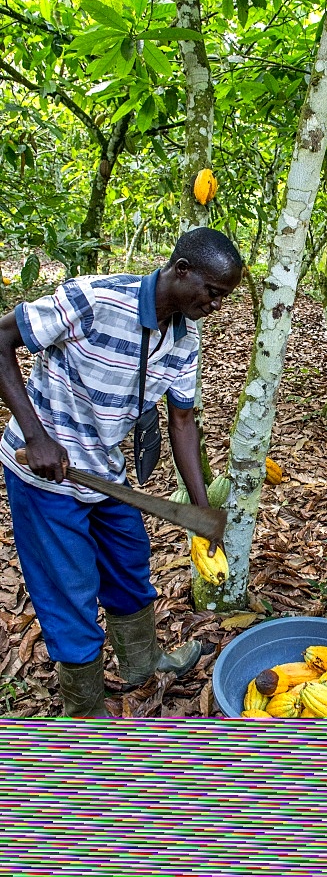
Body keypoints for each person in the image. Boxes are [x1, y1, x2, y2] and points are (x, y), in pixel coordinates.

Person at [0, 227, 243, 718]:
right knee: (70, 592)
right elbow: (0, 339)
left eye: (224, 298)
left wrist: (200, 508)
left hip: (105, 472)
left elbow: (182, 420)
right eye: (212, 292)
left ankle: (141, 663)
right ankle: (85, 712)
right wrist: (36, 435)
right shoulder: (95, 300)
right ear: (182, 271)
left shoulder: (184, 339)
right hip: (46, 475)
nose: (215, 305)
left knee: (130, 563)